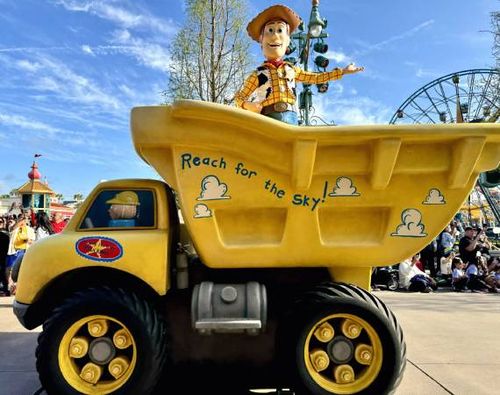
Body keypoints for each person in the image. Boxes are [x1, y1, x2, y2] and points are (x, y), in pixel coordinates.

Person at [234, 4, 364, 125]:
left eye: (280, 30)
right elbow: (239, 97)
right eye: (270, 30)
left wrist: (342, 71)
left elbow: (316, 78)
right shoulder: (257, 74)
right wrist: (247, 105)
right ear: (261, 41)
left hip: (291, 117)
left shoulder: (292, 70)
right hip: (267, 118)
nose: (275, 36)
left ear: (287, 41)